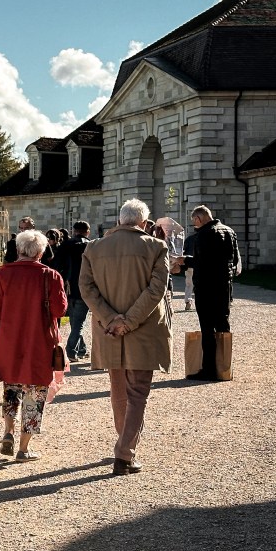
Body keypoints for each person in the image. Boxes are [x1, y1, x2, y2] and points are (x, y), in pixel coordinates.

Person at [78, 199, 171, 475]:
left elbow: (86, 288)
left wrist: (110, 318)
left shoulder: (94, 247)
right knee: (138, 392)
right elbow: (156, 291)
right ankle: (124, 452)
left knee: (118, 390)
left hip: (108, 330)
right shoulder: (156, 246)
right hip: (142, 330)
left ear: (121, 220)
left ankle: (123, 444)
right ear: (143, 222)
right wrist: (128, 321)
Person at [0, 230, 67, 462]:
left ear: (19, 250)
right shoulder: (51, 275)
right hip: (39, 344)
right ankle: (24, 449)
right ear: (41, 252)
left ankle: (8, 432)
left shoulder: (3, 275)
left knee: (11, 391)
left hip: (9, 344)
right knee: (35, 396)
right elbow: (60, 310)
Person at [173, 205, 241, 380]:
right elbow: (234, 260)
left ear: (199, 218)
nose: (194, 225)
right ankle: (225, 366)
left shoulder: (203, 235)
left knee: (207, 327)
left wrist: (185, 260)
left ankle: (209, 369)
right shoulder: (230, 231)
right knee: (223, 325)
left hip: (206, 286)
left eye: (193, 221)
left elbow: (203, 262)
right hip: (224, 285)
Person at [61, 221, 92, 360]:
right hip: (84, 287)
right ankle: (71, 350)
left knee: (75, 321)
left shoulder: (66, 244)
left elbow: (57, 264)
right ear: (87, 231)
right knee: (79, 322)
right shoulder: (90, 245)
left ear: (74, 231)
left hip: (67, 287)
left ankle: (82, 349)